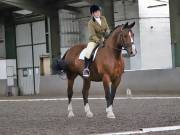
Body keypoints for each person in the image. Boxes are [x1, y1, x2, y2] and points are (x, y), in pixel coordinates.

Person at [83, 4, 110, 78]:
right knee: (88, 52)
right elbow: (93, 35)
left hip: (104, 38)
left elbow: (107, 28)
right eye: (96, 12)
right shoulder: (90, 23)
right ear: (92, 14)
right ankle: (86, 69)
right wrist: (98, 41)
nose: (98, 13)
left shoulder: (103, 18)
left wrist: (107, 32)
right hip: (94, 40)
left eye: (99, 11)